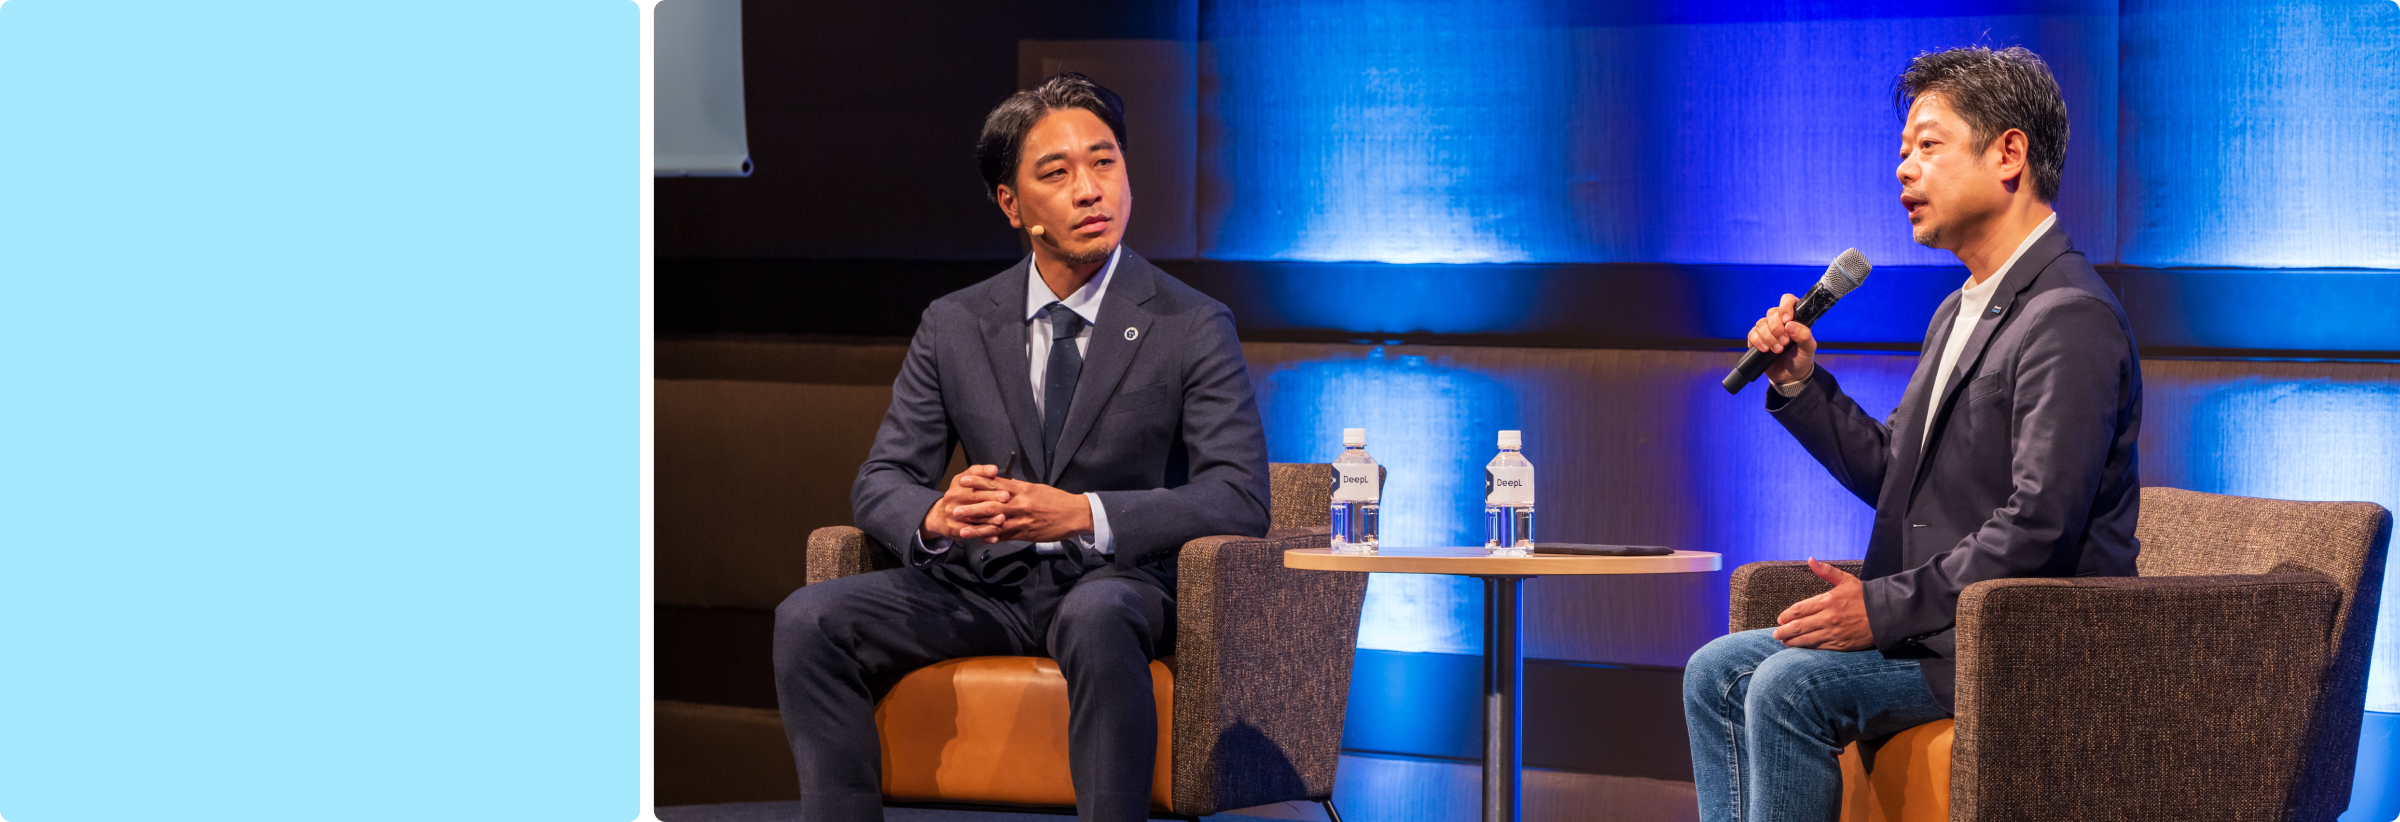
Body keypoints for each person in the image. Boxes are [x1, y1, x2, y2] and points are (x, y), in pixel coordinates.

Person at [770, 73, 1271, 822]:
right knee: (808, 619)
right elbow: (883, 478)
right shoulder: (955, 323)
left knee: (1097, 616)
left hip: (1119, 582)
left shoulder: (1191, 323)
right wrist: (938, 515)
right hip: (983, 586)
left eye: (1105, 163)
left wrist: (1080, 514)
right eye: (1057, 172)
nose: (1090, 189)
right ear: (1012, 204)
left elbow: (1238, 494)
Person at [1684, 46, 2142, 822]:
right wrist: (1799, 382)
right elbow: (1898, 469)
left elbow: (2040, 524)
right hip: (1943, 634)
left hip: (2027, 645)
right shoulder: (1961, 308)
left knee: (1788, 687)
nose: (1904, 171)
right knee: (1715, 672)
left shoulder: (2069, 316)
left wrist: (1883, 608)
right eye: (1903, 153)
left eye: (1927, 146)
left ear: (2008, 154)